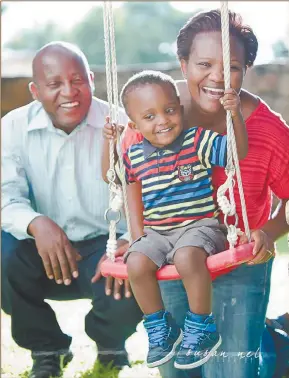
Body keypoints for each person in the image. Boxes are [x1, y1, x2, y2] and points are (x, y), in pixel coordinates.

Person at [110, 9, 289, 378]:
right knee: (180, 370)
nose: (219, 78)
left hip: (241, 258)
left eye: (234, 67)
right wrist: (136, 236)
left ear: (246, 69)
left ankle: (271, 339)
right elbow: (131, 180)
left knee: (232, 371)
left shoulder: (268, 130)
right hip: (172, 255)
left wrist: (268, 233)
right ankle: (263, 335)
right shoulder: (151, 115)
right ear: (183, 63)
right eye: (204, 63)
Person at [1, 41, 142, 378]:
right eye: (55, 84)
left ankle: (111, 344)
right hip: (40, 247)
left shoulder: (122, 124)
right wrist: (36, 224)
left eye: (77, 80)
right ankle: (47, 349)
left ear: (92, 80)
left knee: (140, 262)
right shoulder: (12, 127)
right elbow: (5, 196)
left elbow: (148, 193)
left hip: (104, 246)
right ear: (35, 90)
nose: (69, 92)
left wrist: (129, 241)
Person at [102, 69, 248, 370]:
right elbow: (111, 176)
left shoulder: (198, 141)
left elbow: (236, 154)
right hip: (158, 233)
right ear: (134, 125)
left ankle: (201, 326)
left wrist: (235, 116)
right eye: (150, 116)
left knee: (186, 257)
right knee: (136, 262)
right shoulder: (133, 155)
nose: (162, 121)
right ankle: (159, 328)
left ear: (179, 110)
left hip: (199, 227)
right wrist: (109, 144)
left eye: (169, 111)